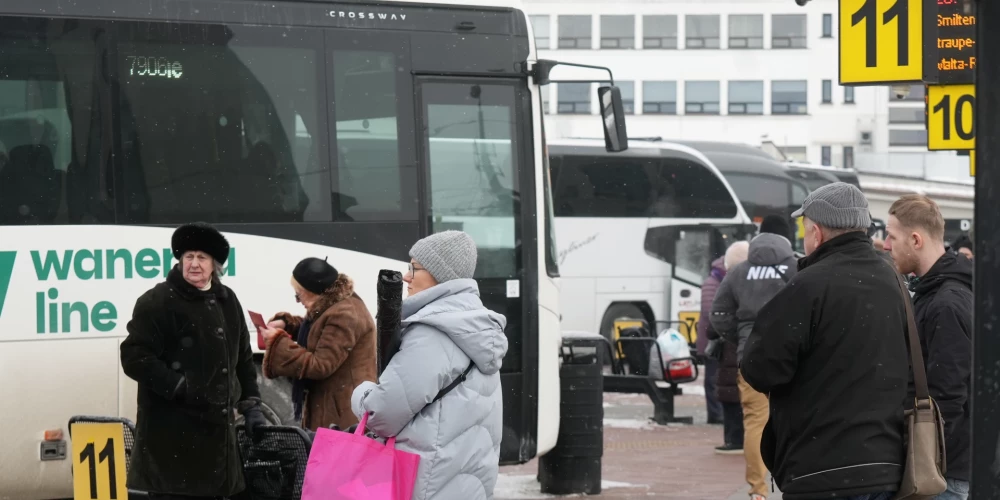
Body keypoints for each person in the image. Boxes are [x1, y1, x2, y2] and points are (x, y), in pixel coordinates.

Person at [741, 182, 909, 500]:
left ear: (816, 234)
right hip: (887, 465)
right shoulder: (896, 283)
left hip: (819, 469)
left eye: (805, 231)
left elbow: (761, 369)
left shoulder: (808, 286)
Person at [351, 231, 508, 500]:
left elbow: (381, 415)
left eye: (414, 267)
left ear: (440, 274)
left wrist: (360, 393)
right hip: (464, 485)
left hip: (426, 483)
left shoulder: (431, 335)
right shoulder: (477, 329)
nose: (406, 277)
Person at [121, 222, 268, 500]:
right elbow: (134, 356)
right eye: (188, 256)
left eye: (202, 257)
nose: (194, 264)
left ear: (215, 265)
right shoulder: (158, 300)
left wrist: (251, 406)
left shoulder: (228, 300)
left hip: (218, 452)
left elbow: (243, 360)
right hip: (173, 448)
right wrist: (179, 387)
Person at [884, 194, 973, 500]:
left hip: (943, 473)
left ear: (916, 240)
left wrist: (924, 459)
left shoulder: (945, 302)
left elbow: (948, 394)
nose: (885, 244)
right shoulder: (936, 293)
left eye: (891, 236)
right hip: (946, 467)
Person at [711, 215, 798, 500]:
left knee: (755, 421)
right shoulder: (797, 267)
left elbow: (719, 315)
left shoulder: (739, 272)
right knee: (798, 420)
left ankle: (758, 491)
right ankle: (794, 482)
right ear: (787, 239)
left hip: (750, 359)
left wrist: (741, 341)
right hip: (793, 359)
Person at [258, 257, 377, 431]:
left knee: (336, 458)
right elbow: (319, 331)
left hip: (342, 417)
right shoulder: (332, 304)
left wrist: (279, 343)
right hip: (334, 408)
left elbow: (320, 365)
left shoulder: (345, 314)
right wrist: (288, 324)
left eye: (298, 295)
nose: (298, 300)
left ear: (312, 291)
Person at [704, 240, 749, 455]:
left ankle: (733, 439)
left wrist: (726, 333)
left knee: (730, 396)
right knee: (745, 399)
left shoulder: (728, 284)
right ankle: (743, 439)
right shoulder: (758, 286)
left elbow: (715, 320)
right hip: (747, 351)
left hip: (730, 350)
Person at [697, 255, 726, 426]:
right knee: (712, 378)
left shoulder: (719, 279)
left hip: (717, 338)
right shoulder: (712, 282)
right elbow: (710, 310)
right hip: (711, 340)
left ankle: (717, 412)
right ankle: (715, 414)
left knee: (717, 377)